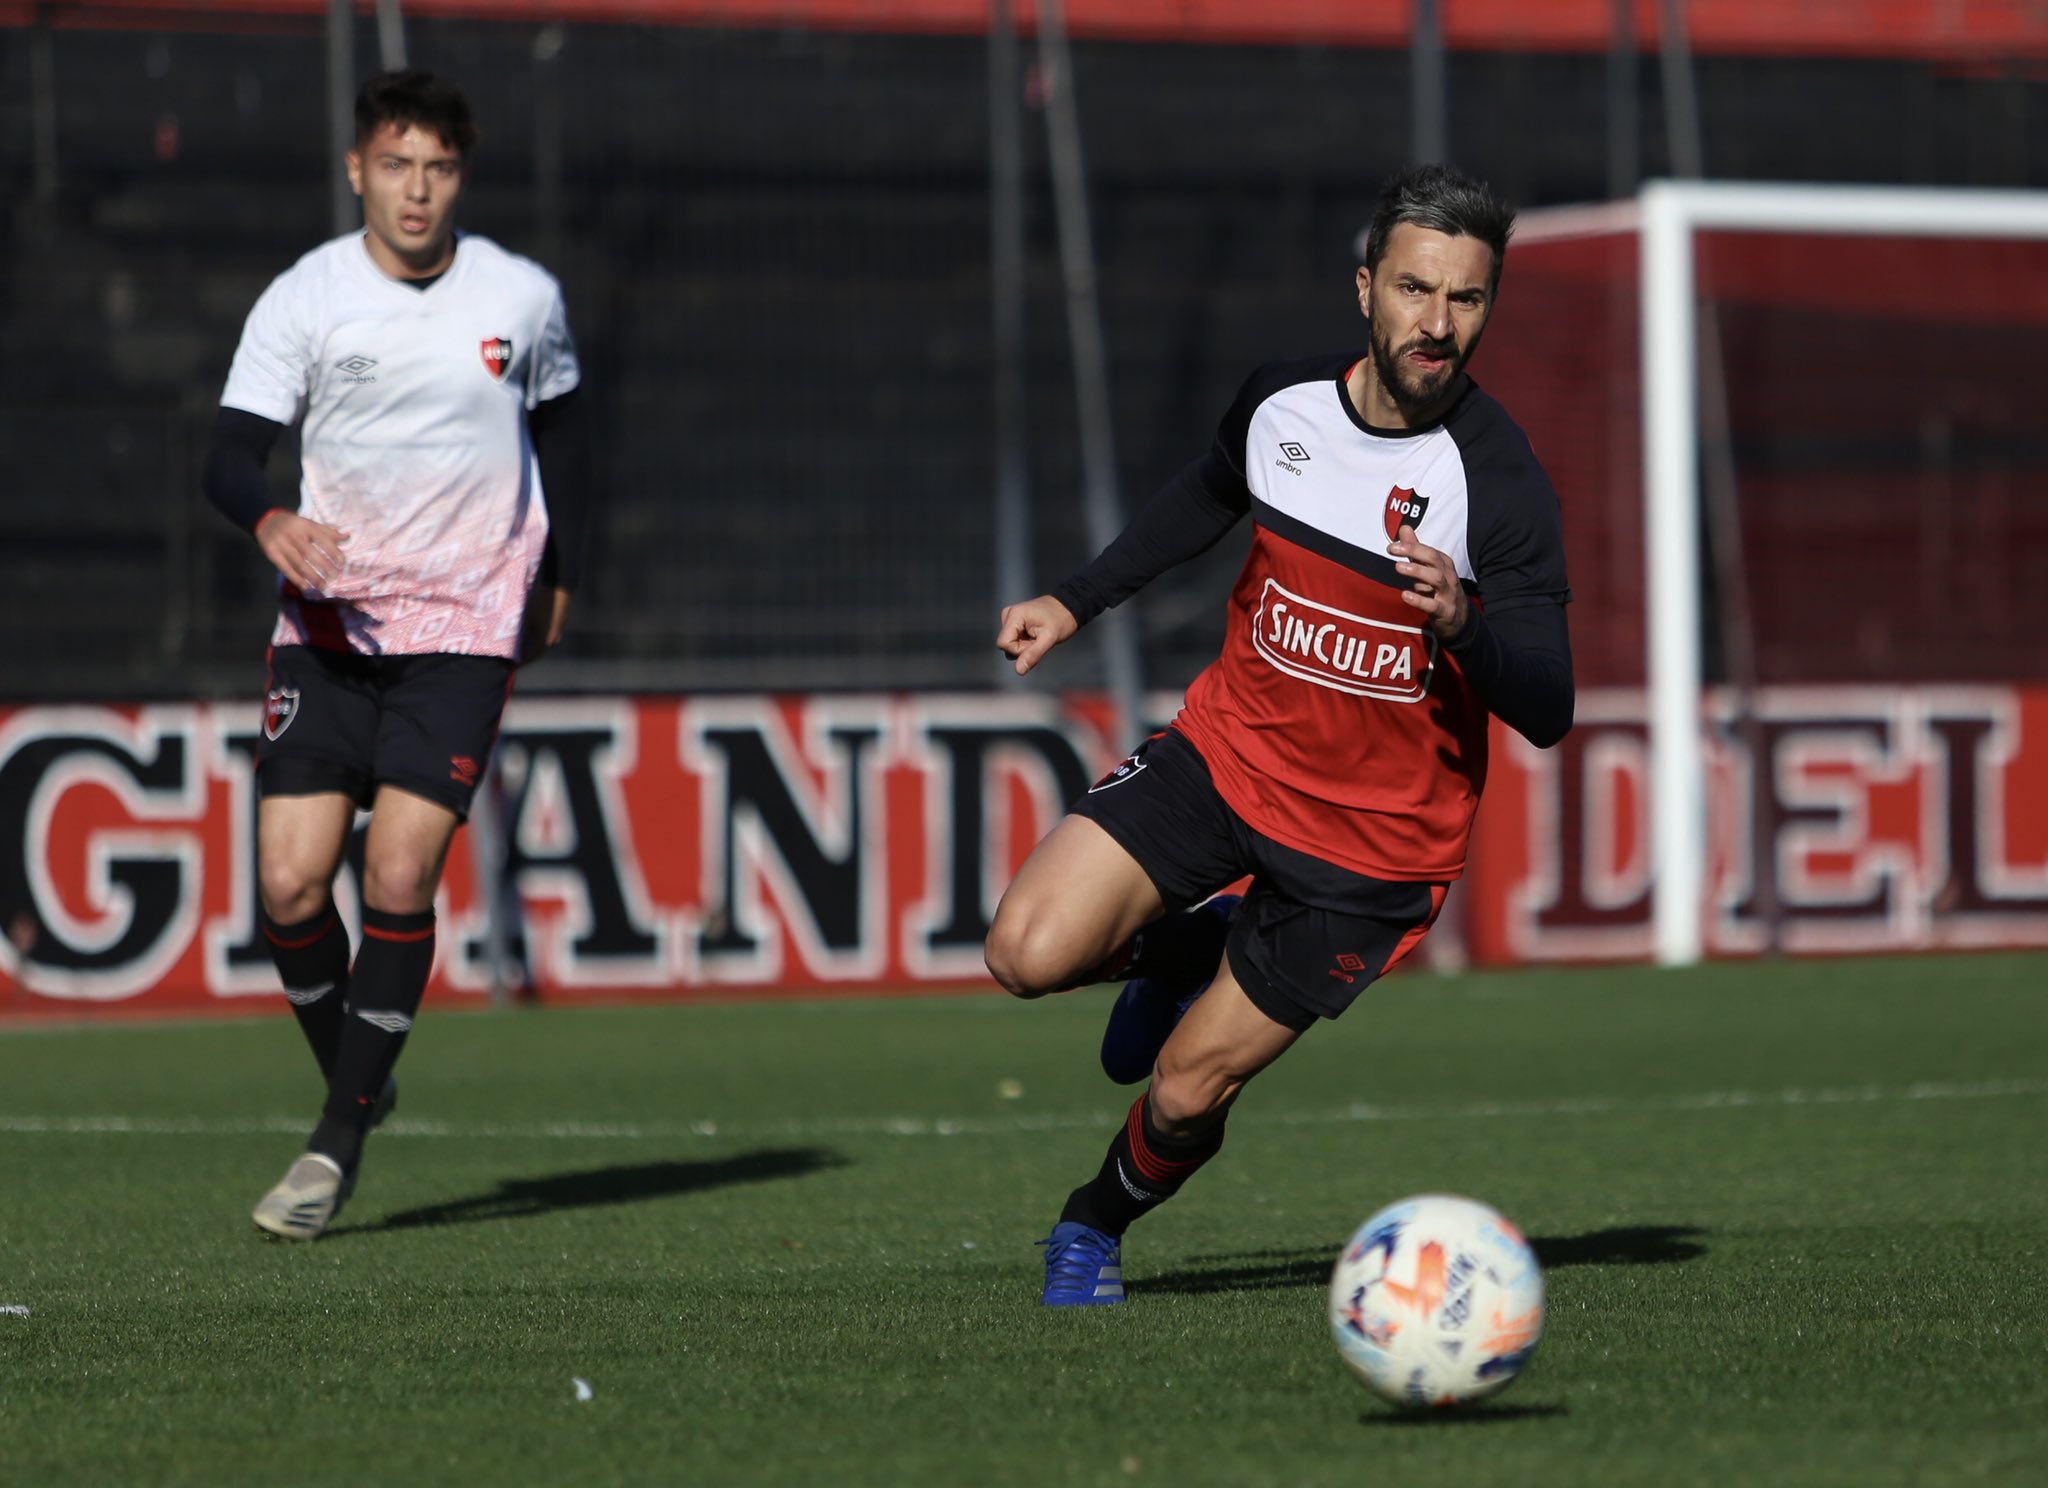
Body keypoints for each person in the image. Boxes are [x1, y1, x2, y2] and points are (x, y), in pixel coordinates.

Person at [984, 164, 1572, 1305]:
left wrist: (1464, 627)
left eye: (1465, 298)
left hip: (1370, 850)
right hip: (1227, 758)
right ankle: (1186, 949)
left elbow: (1547, 706)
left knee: (1184, 1088)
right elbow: (1207, 494)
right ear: (1365, 288)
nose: (1437, 322)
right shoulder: (1283, 405)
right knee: (1026, 953)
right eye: (1414, 289)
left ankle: (1092, 1223)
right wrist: (1074, 600)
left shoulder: (1500, 485)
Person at [202, 70, 589, 1240]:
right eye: (395, 165)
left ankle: (334, 1142)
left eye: (438, 168)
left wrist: (558, 573)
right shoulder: (306, 296)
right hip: (330, 631)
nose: (416, 190)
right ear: (357, 171)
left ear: (459, 177)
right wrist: (269, 518)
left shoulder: (520, 296)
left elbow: (561, 436)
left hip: (463, 631)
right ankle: (361, 1073)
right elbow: (227, 457)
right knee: (287, 886)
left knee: (400, 875)